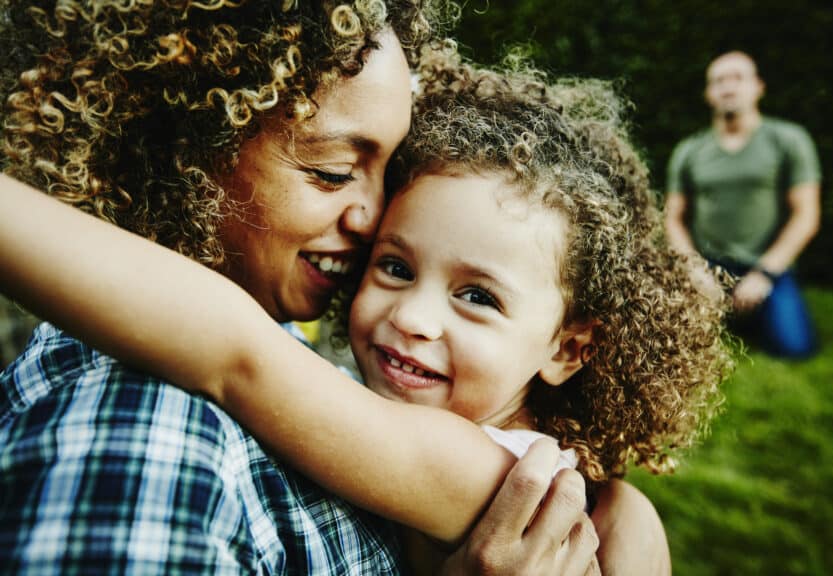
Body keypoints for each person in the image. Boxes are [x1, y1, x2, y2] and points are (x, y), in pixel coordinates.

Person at [2, 45, 734, 575]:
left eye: (477, 297)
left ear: (569, 348)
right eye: (395, 265)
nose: (411, 316)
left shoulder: (493, 472)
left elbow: (236, 354)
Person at [665, 50, 821, 358]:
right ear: (708, 93)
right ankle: (731, 315)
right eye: (719, 81)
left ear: (758, 86)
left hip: (766, 266)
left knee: (795, 347)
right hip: (709, 265)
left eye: (738, 78)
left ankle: (750, 314)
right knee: (672, 342)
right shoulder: (689, 151)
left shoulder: (788, 140)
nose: (728, 87)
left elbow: (806, 214)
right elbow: (673, 217)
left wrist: (764, 274)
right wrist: (694, 270)